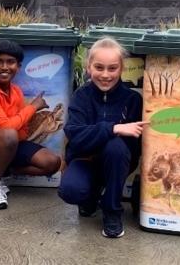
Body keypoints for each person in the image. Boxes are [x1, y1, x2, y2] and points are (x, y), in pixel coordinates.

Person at [58, 37, 146, 238]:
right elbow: (75, 134)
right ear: (88, 67)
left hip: (116, 162)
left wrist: (111, 136)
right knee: (71, 191)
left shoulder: (133, 100)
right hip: (84, 160)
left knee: (116, 148)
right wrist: (114, 128)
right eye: (99, 67)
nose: (105, 75)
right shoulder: (81, 96)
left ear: (121, 68)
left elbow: (134, 146)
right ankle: (91, 194)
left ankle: (112, 211)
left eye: (112, 68)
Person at [0, 40, 60, 210]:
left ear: (18, 67)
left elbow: (22, 131)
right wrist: (33, 107)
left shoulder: (16, 91)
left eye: (10, 62)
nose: (5, 67)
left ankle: (0, 171)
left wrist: (1, 128)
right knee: (8, 135)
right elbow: (10, 128)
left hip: (4, 144)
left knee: (52, 162)